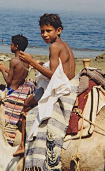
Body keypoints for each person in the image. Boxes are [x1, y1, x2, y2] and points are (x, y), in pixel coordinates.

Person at [13, 13, 75, 156]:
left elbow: (54, 75)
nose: (45, 35)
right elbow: (63, 70)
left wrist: (32, 62)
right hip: (68, 84)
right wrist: (41, 65)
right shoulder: (65, 45)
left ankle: (23, 145)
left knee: (25, 104)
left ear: (58, 30)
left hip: (58, 88)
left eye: (48, 31)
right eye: (42, 31)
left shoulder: (54, 47)